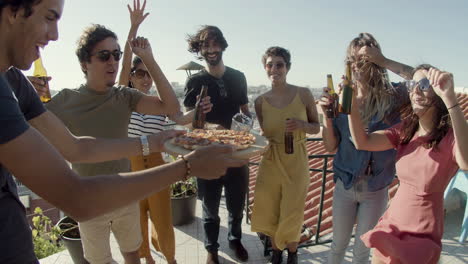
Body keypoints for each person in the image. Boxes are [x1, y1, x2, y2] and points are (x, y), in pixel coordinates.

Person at [0, 1, 246, 263]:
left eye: (116, 55)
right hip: (94, 195)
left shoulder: (15, 81)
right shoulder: (57, 97)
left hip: (124, 182)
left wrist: (151, 142)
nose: (55, 34)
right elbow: (75, 192)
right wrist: (183, 165)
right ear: (13, 11)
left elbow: (77, 147)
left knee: (137, 247)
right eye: (50, 17)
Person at [118, 2, 212, 263]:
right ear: (131, 78)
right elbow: (124, 63)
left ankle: (169, 258)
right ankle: (146, 257)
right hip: (131, 169)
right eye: (139, 74)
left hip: (157, 168)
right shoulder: (122, 101)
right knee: (136, 221)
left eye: (148, 74)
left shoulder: (160, 104)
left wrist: (199, 111)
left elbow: (180, 118)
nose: (145, 79)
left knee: (163, 220)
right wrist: (134, 27)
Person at [350, 65, 468, 264]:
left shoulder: (450, 138)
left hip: (421, 236)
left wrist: (451, 99)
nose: (415, 90)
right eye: (412, 84)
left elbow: (466, 161)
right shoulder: (406, 130)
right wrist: (352, 106)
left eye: (423, 84)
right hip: (390, 226)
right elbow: (363, 142)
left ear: (438, 92)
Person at [318, 33, 413, 264]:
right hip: (345, 184)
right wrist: (327, 117)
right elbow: (331, 146)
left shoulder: (394, 96)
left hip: (376, 187)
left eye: (367, 59)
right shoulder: (341, 98)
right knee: (337, 247)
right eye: (355, 60)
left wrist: (385, 61)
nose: (360, 65)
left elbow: (421, 80)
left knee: (362, 251)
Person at [183, 25, 251, 264]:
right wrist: (201, 119)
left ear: (222, 45)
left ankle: (235, 240)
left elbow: (245, 110)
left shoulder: (238, 77)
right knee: (210, 206)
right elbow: (190, 123)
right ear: (199, 50)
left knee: (236, 204)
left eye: (214, 44)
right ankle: (211, 249)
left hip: (235, 153)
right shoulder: (195, 81)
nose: (211, 50)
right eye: (205, 45)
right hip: (207, 154)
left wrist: (247, 125)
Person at [251, 46, 320, 264]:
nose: (274, 69)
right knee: (271, 208)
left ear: (287, 67)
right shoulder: (259, 101)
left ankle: (292, 252)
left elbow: (316, 127)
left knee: (293, 209)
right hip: (271, 160)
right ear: (265, 68)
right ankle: (276, 252)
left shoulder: (304, 94)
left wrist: (301, 125)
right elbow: (265, 133)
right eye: (269, 64)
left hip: (296, 159)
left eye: (279, 64)